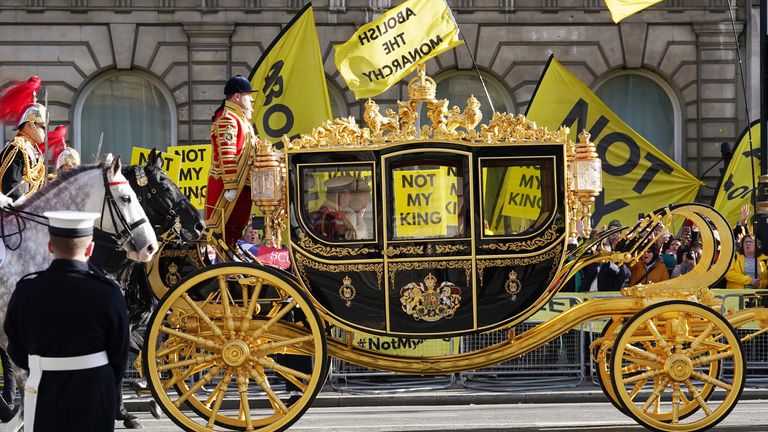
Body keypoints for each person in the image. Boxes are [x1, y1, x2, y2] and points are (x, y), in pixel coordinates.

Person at [4, 211, 129, 431]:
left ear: (50, 246)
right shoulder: (108, 292)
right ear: (90, 249)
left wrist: (43, 365)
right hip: (95, 390)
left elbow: (15, 347)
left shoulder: (26, 290)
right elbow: (119, 354)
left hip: (45, 387)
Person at [206, 75, 256, 247]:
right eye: (248, 95)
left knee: (236, 228)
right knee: (227, 229)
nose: (252, 99)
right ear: (237, 97)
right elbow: (227, 153)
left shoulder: (240, 119)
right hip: (231, 187)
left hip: (244, 184)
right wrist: (230, 185)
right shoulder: (228, 118)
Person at [0, 76, 47, 207]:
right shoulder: (17, 148)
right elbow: (10, 185)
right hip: (15, 211)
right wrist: (28, 206)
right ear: (29, 125)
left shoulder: (34, 149)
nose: (44, 130)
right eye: (41, 126)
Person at [310, 175, 356, 241]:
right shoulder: (331, 215)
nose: (350, 197)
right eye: (348, 193)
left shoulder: (331, 212)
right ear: (339, 194)